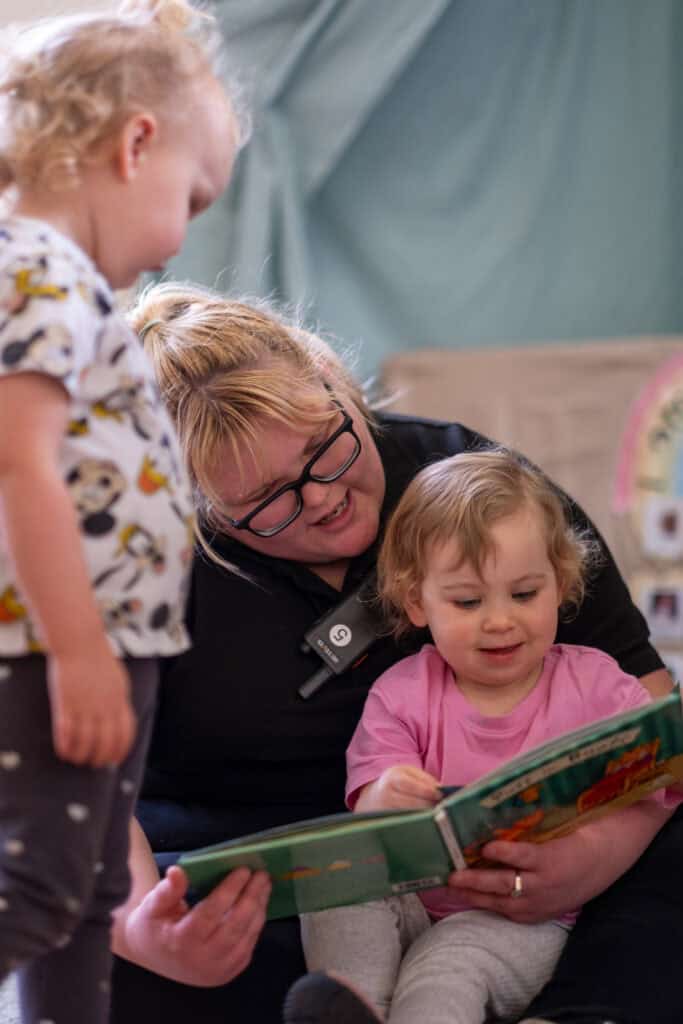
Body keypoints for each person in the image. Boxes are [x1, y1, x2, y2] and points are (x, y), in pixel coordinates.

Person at [108, 280, 683, 1024]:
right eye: (267, 500)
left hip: (526, 868)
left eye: (325, 445)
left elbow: (652, 718)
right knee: (101, 959)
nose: (321, 498)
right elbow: (76, 791)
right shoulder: (139, 562)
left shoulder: (473, 488)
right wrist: (138, 930)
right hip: (265, 882)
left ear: (334, 384)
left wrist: (598, 853)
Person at [0, 5, 268, 1023]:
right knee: (42, 887)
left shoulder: (58, 282)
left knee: (84, 899)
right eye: (192, 198)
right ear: (134, 144)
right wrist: (77, 652)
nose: (184, 233)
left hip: (99, 640)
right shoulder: (37, 271)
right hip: (56, 649)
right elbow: (19, 467)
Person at [294, 448, 679, 1024]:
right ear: (416, 602)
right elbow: (369, 804)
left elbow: (664, 763)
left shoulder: (597, 685)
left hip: (524, 916)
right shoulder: (403, 691)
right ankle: (357, 1006)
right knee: (333, 883)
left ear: (561, 582)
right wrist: (384, 796)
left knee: (446, 966)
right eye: (468, 602)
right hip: (417, 894)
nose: (499, 620)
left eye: (524, 594)